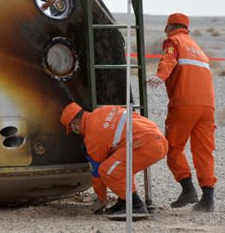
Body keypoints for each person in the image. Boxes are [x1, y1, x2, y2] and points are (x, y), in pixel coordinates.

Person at [147, 12, 216, 211]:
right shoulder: (198, 49)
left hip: (185, 103)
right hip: (208, 107)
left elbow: (169, 60)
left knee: (173, 148)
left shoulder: (173, 41)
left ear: (168, 28)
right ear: (188, 29)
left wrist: (160, 76)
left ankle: (188, 189)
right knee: (204, 151)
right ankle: (208, 198)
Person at [60, 102, 168, 220]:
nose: (74, 131)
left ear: (75, 123)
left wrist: (101, 200)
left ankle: (135, 205)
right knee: (120, 166)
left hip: (145, 145)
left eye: (71, 128)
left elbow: (96, 173)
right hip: (157, 139)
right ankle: (124, 202)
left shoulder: (92, 136)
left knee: (107, 171)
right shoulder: (102, 111)